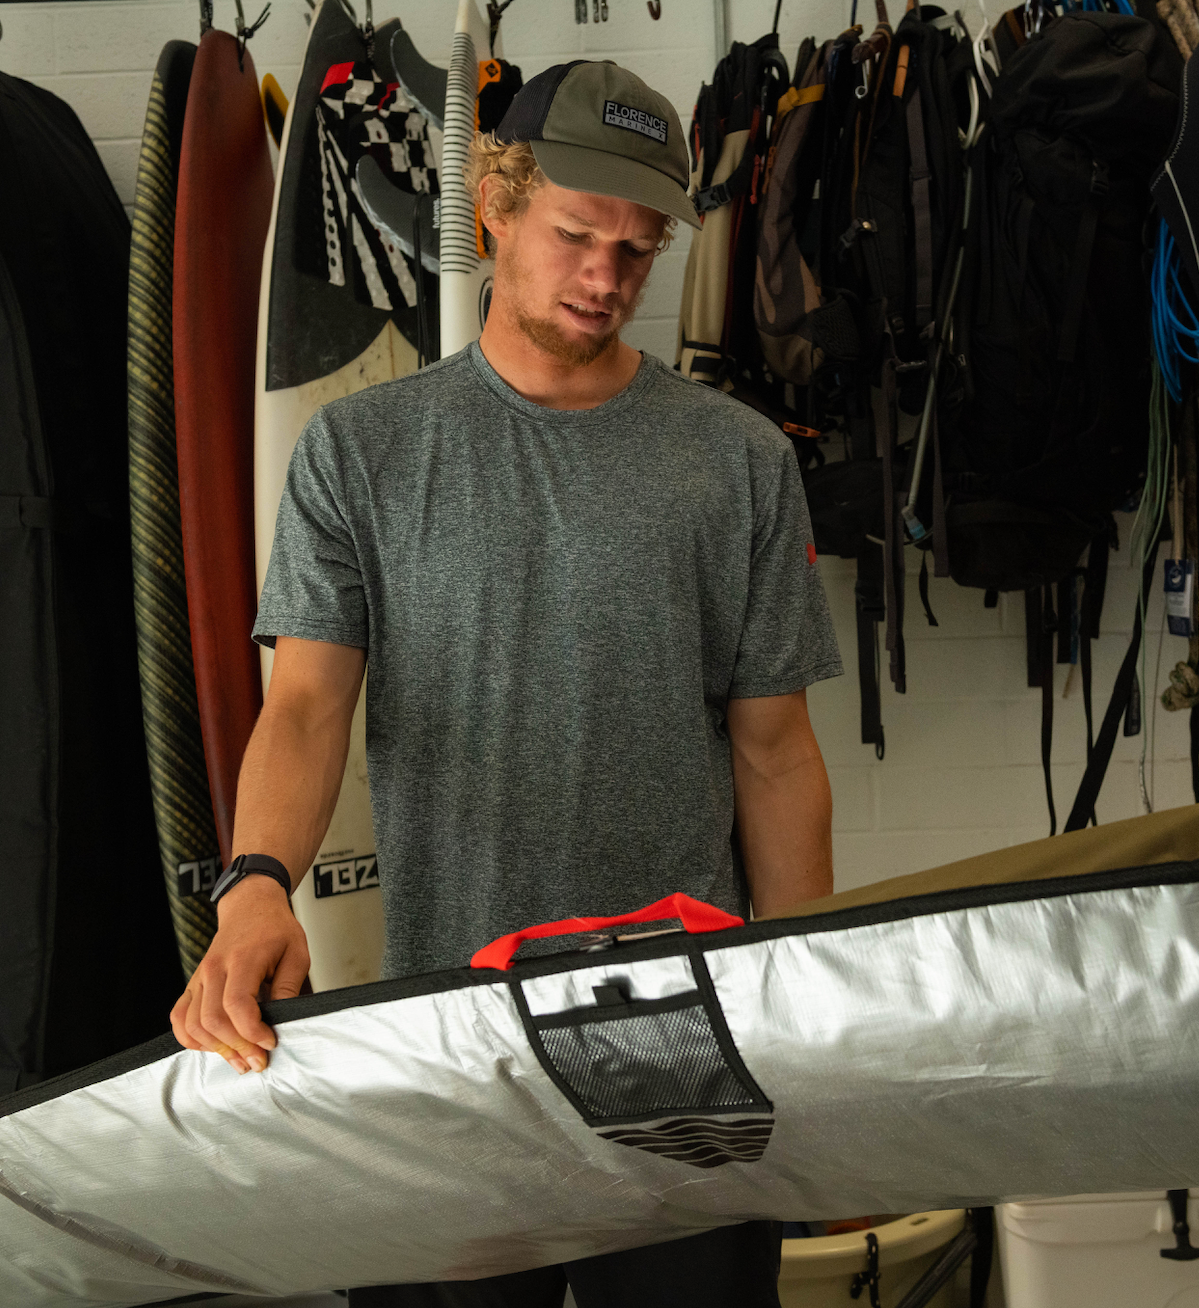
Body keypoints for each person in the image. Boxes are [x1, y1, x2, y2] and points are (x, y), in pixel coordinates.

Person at [168, 59, 843, 1308]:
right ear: (495, 201)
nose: (607, 278)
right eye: (579, 234)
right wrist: (257, 886)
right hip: (453, 1024)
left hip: (679, 1023)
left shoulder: (736, 458)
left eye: (638, 252)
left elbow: (776, 750)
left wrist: (801, 1006)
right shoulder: (360, 452)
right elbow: (308, 705)